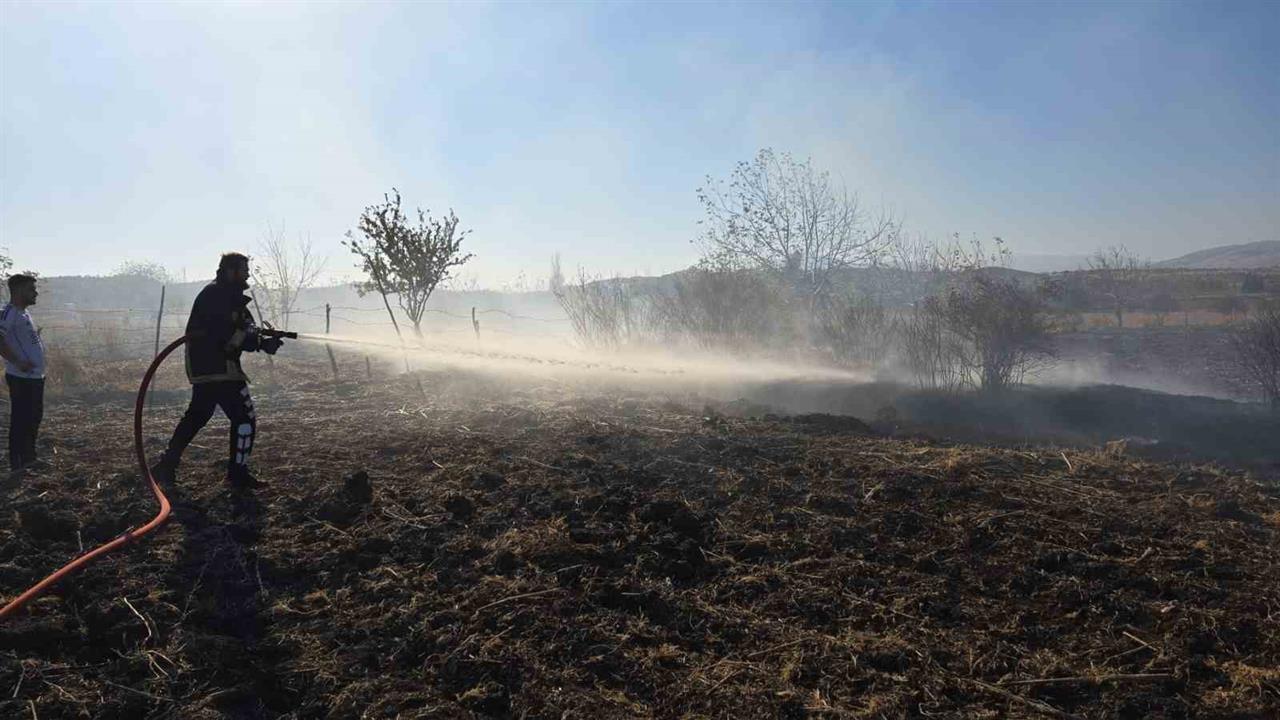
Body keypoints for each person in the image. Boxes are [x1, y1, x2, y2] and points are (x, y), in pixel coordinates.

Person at [151, 253, 282, 489]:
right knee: (244, 418)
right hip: (219, 367)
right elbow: (227, 334)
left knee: (198, 415)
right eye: (244, 270)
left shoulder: (225, 294)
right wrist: (258, 342)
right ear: (231, 271)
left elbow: (244, 328)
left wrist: (263, 339)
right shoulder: (216, 296)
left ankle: (166, 465)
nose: (248, 274)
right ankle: (237, 475)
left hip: (208, 367)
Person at [0, 274, 47, 473]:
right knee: (21, 419)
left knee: (34, 417)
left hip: (35, 377)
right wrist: (18, 362)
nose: (35, 293)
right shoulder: (9, 312)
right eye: (31, 289)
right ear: (19, 291)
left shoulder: (24, 313)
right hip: (21, 378)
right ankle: (17, 463)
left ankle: (29, 458)